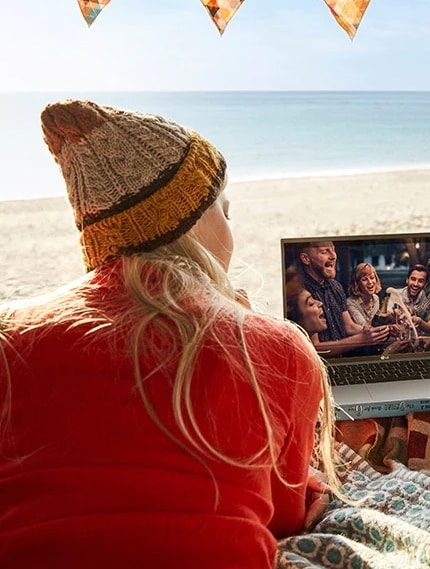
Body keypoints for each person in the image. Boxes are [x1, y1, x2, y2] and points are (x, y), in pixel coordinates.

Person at [0, 100, 339, 569]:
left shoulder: (9, 336)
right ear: (191, 221)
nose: (231, 227)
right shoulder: (275, 348)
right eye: (225, 210)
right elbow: (281, 515)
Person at [296, 241, 389, 356]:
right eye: (325, 251)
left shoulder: (336, 286)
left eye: (333, 250)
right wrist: (362, 339)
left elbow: (348, 326)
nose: (333, 256)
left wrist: (376, 332)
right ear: (306, 259)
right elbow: (316, 348)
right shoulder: (301, 292)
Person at [346, 262, 382, 327]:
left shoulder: (376, 298)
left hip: (373, 335)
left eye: (372, 278)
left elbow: (376, 324)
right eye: (364, 279)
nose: (370, 282)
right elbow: (364, 327)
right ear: (357, 284)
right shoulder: (351, 303)